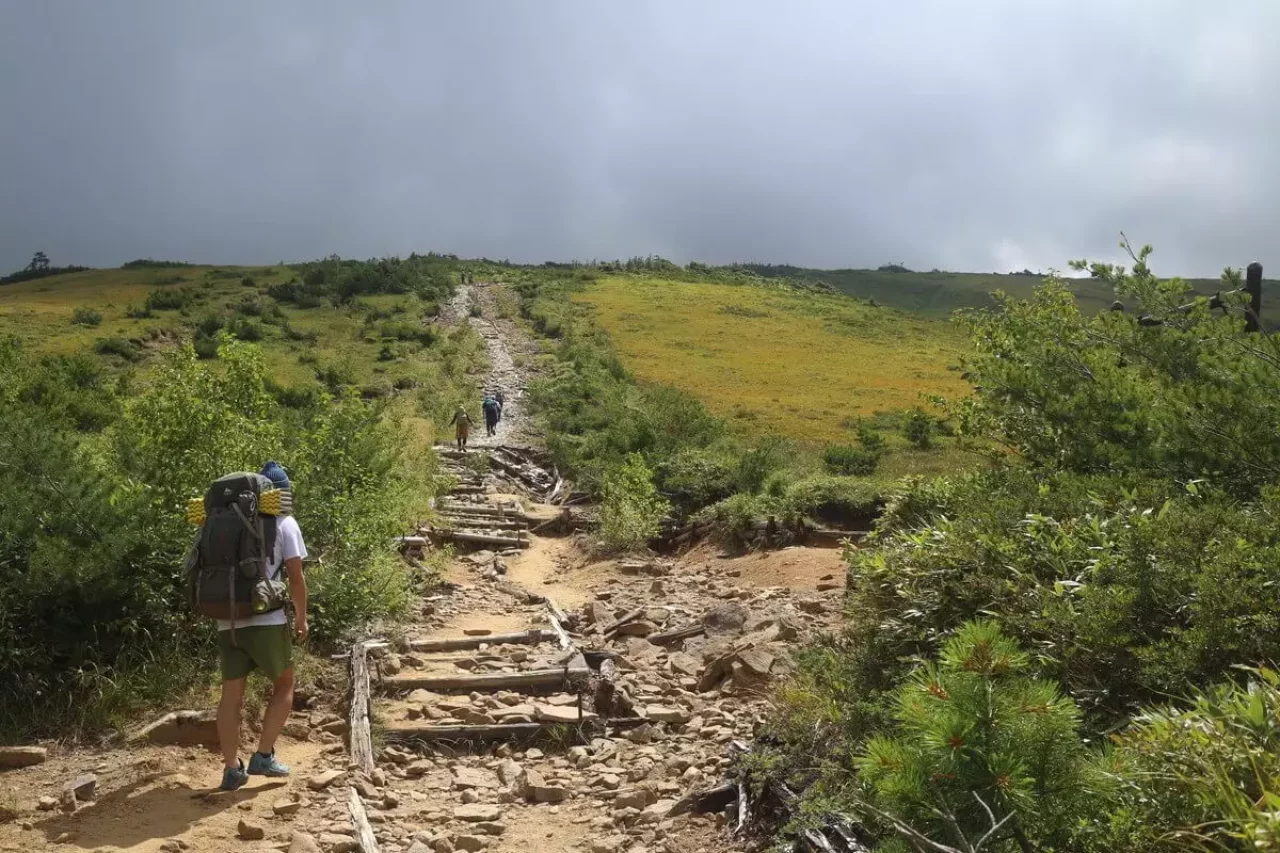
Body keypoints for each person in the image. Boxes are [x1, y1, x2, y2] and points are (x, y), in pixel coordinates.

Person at [217, 461, 308, 791]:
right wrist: (301, 617)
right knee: (284, 685)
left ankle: (231, 769)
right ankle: (263, 755)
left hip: (227, 619)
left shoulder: (228, 522)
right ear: (283, 493)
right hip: (267, 619)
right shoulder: (285, 524)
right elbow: (295, 577)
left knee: (230, 697)